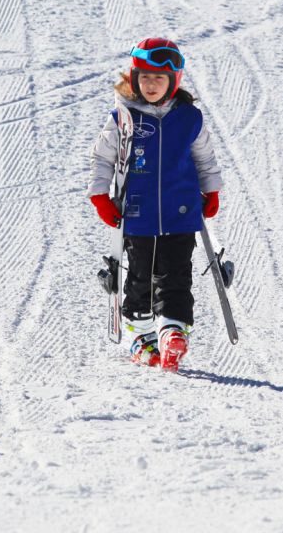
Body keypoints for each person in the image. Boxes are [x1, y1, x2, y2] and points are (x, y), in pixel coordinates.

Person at [87, 37, 224, 371]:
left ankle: (173, 331)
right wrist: (99, 195)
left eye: (158, 78)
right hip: (138, 212)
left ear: (173, 81)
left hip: (181, 212)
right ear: (135, 79)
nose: (150, 84)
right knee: (140, 277)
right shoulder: (123, 117)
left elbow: (204, 157)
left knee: (176, 275)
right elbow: (103, 158)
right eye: (144, 77)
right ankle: (141, 335)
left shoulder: (190, 117)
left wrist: (212, 190)